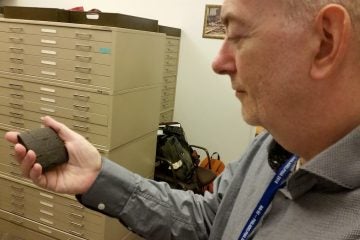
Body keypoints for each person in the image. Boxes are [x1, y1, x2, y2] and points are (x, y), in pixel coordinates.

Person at [4, 0, 360, 239]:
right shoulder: (275, 146)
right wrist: (97, 177)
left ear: (325, 41)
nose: (218, 62)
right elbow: (211, 221)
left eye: (237, 35)